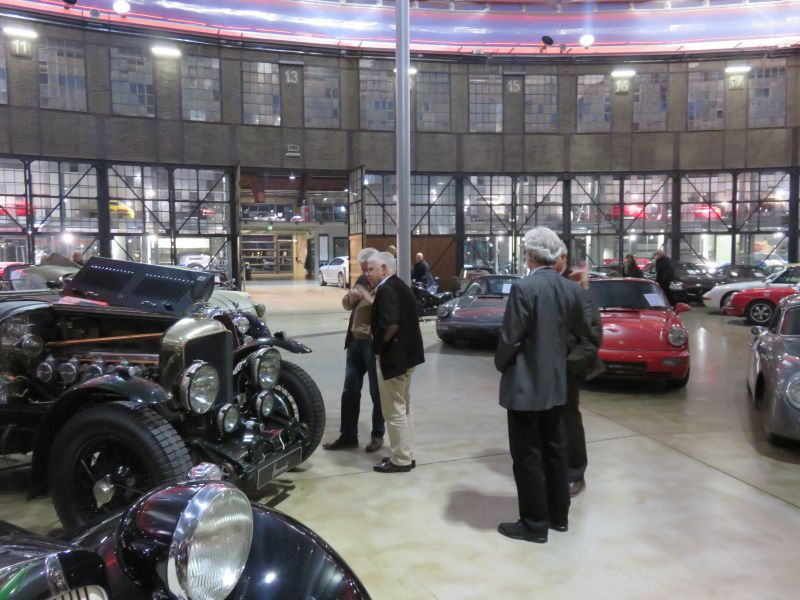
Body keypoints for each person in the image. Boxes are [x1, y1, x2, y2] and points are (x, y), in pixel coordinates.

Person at [494, 227, 590, 543]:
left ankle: (534, 523)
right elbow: (581, 332)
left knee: (527, 455)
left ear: (530, 255)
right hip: (557, 384)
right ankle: (558, 516)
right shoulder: (571, 289)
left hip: (525, 385)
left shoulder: (524, 288)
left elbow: (510, 337)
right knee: (555, 450)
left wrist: (501, 363)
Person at [366, 251, 425, 473]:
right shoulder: (401, 286)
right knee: (404, 408)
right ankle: (407, 455)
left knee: (393, 411)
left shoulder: (387, 289)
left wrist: (378, 348)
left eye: (371, 269)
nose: (367, 274)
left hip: (394, 358)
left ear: (384, 269)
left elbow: (391, 324)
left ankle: (400, 460)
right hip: (409, 358)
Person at [323, 247, 385, 454]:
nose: (366, 272)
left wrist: (365, 295)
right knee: (350, 390)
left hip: (371, 345)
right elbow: (346, 303)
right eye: (363, 269)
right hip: (355, 343)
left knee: (377, 393)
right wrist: (353, 298)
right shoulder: (361, 281)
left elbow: (384, 309)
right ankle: (348, 435)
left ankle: (377, 435)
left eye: (369, 268)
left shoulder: (383, 285)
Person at [555, 246, 604, 498]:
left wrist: (569, 366)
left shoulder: (578, 290)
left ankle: (574, 473)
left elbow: (592, 332)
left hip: (566, 368)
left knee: (568, 420)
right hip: (549, 367)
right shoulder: (551, 285)